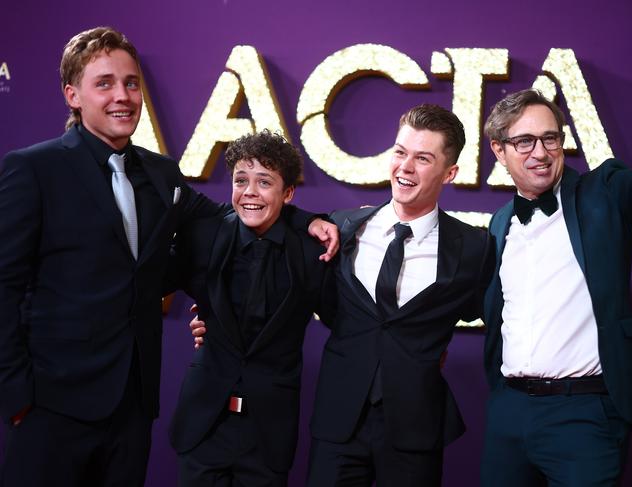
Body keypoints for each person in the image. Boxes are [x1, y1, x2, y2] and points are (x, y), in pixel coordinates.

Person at [0, 27, 337, 487]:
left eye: (131, 82)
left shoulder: (160, 173)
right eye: (105, 83)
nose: (123, 95)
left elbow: (234, 213)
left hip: (132, 410)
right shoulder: (33, 169)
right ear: (72, 95)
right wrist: (15, 395)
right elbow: (3, 286)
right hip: (51, 407)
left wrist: (305, 220)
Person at [306, 104, 495, 487]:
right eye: (399, 152)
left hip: (415, 428)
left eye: (422, 158)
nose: (405, 167)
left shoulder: (474, 248)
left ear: (450, 172)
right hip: (339, 418)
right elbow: (293, 288)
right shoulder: (342, 226)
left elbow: (503, 312)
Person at [480, 87, 632, 486]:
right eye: (524, 141)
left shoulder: (605, 193)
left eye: (550, 138)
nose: (540, 152)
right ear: (499, 150)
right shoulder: (500, 223)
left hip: (584, 415)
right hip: (509, 411)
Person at [168, 130, 335, 487]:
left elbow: (345, 317)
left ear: (288, 193)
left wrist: (307, 219)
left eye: (264, 182)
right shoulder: (206, 235)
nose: (250, 193)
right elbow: (148, 278)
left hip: (268, 433)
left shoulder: (311, 251)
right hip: (203, 423)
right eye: (241, 180)